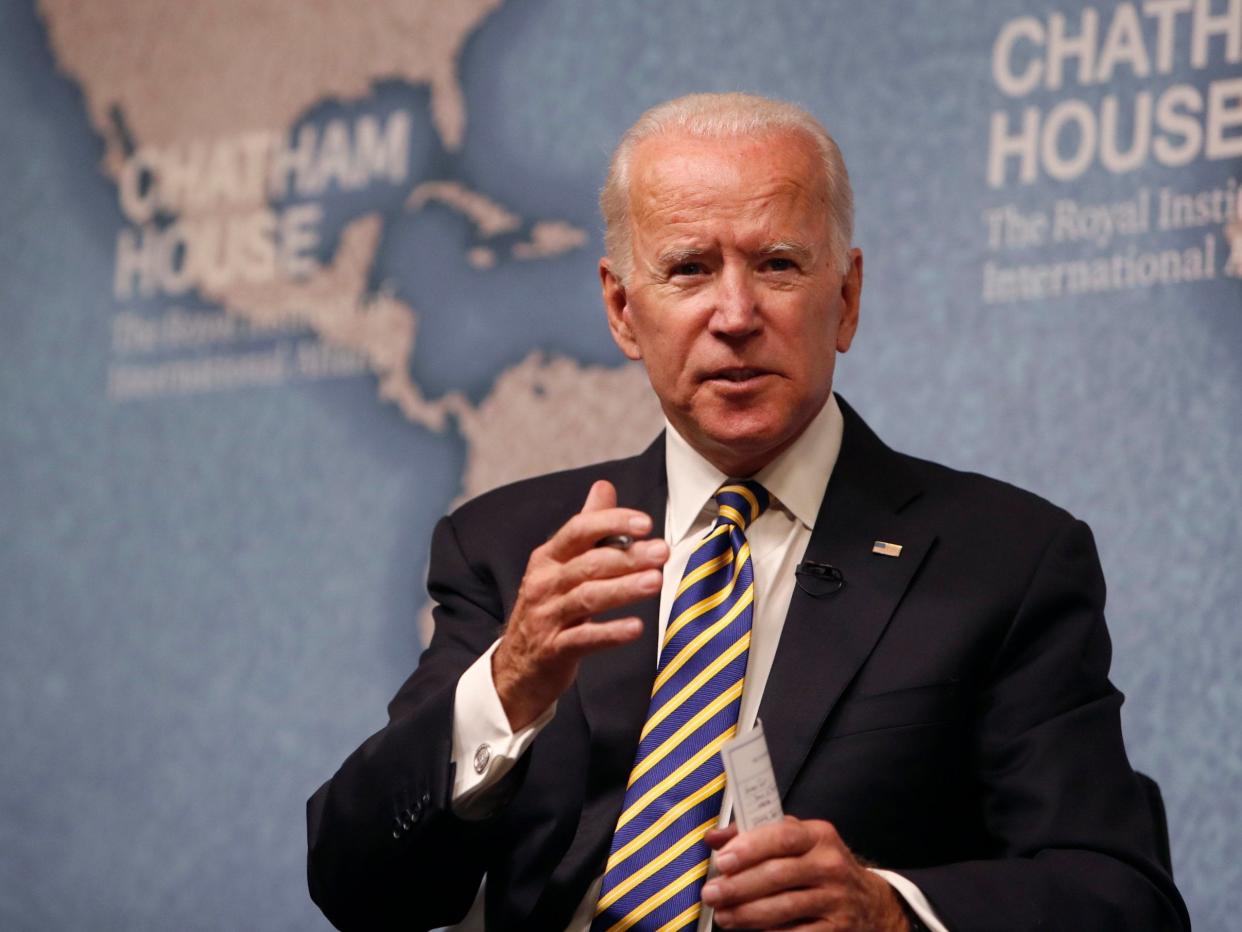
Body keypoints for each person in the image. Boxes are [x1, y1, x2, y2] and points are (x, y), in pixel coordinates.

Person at [307, 93, 1189, 932]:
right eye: (689, 269)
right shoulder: (511, 550)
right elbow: (355, 883)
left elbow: (1120, 896)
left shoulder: (1005, 559)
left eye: (777, 264)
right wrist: (506, 687)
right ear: (622, 309)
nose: (735, 315)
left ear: (844, 298)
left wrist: (889, 912)